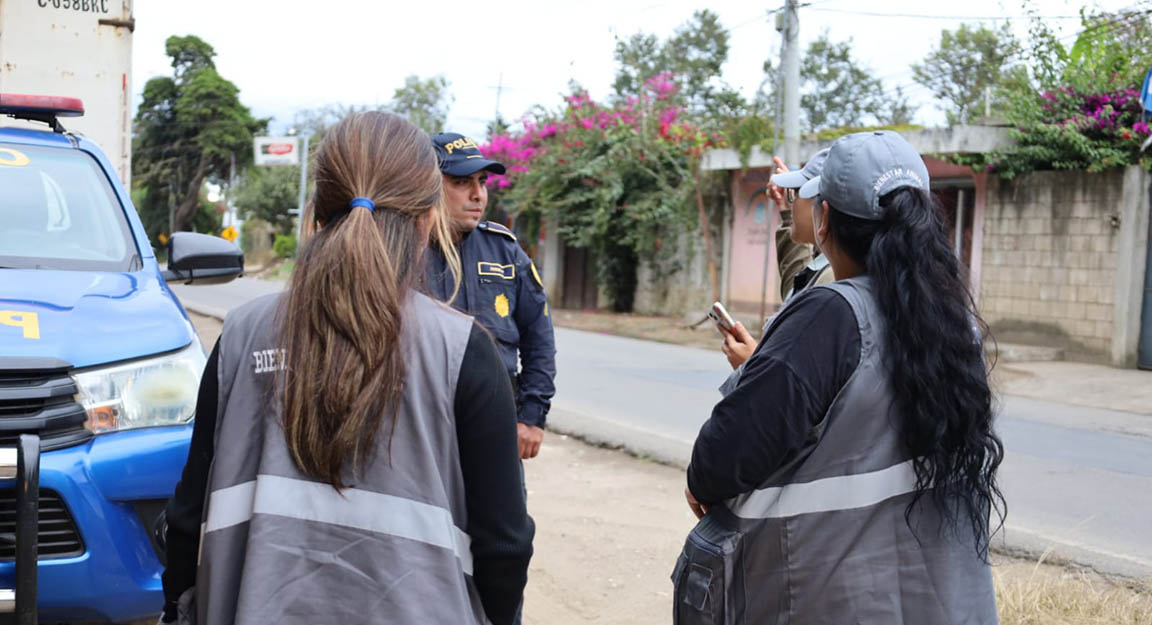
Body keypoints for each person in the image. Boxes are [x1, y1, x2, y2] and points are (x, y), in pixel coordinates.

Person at [159, 112, 533, 625]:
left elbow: (186, 519)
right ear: (426, 222)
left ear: (317, 215)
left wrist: (180, 606)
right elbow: (504, 546)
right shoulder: (463, 350)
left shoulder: (242, 336)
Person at [678, 130, 1004, 624]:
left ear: (825, 216)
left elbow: (722, 460)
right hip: (934, 599)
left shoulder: (829, 315)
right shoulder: (951, 319)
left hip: (822, 594)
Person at [424, 132, 556, 460]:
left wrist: (531, 417)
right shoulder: (401, 251)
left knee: (504, 512)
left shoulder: (504, 250)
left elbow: (539, 338)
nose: (478, 195)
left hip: (496, 415)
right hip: (423, 419)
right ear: (427, 185)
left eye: (482, 182)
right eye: (461, 182)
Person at [718, 148, 835, 391]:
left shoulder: (833, 289)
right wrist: (785, 209)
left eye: (796, 196)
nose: (791, 206)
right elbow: (798, 287)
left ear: (823, 211)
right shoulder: (828, 272)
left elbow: (798, 395)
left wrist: (753, 366)